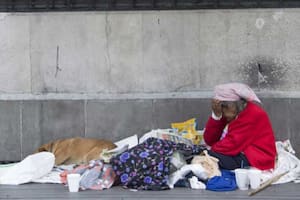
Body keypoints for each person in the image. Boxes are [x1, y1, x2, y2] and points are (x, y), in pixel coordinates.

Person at [203, 83, 276, 170]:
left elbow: (232, 143)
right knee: (208, 158)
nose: (224, 112)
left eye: (225, 107)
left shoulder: (253, 114)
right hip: (240, 150)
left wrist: (208, 152)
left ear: (237, 104)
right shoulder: (232, 111)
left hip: (257, 156)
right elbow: (210, 140)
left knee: (210, 159)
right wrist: (216, 116)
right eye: (222, 108)